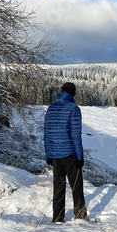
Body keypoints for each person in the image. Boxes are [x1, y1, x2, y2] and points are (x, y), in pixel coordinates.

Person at [44, 82, 87, 222]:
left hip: (55, 154)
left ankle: (57, 217)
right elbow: (76, 135)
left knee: (58, 187)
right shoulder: (73, 109)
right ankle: (80, 216)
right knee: (76, 186)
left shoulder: (50, 108)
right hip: (69, 154)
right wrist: (80, 157)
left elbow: (47, 133)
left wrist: (48, 154)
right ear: (73, 93)